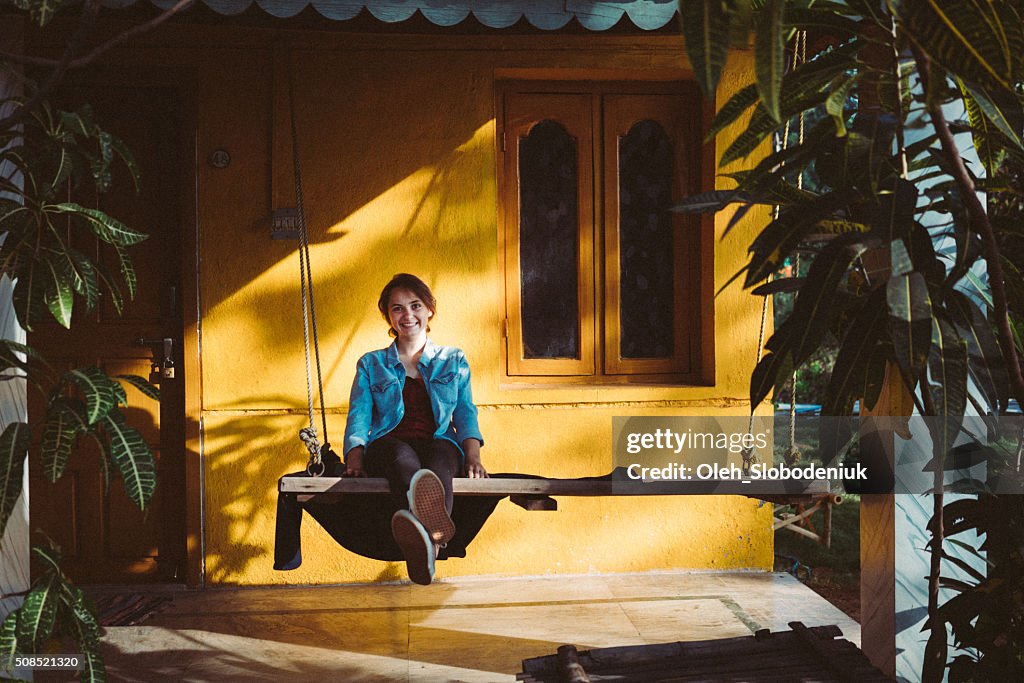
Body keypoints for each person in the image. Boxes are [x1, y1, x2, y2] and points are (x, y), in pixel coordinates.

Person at [342, 273, 487, 585]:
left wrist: (473, 457)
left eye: (415, 305)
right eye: (397, 309)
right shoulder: (371, 364)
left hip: (439, 441)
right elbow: (360, 415)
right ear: (389, 317)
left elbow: (465, 412)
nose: (407, 315)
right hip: (390, 442)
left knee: (440, 465)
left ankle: (424, 544)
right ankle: (433, 542)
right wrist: (354, 459)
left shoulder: (453, 359)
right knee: (402, 459)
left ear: (429, 310)